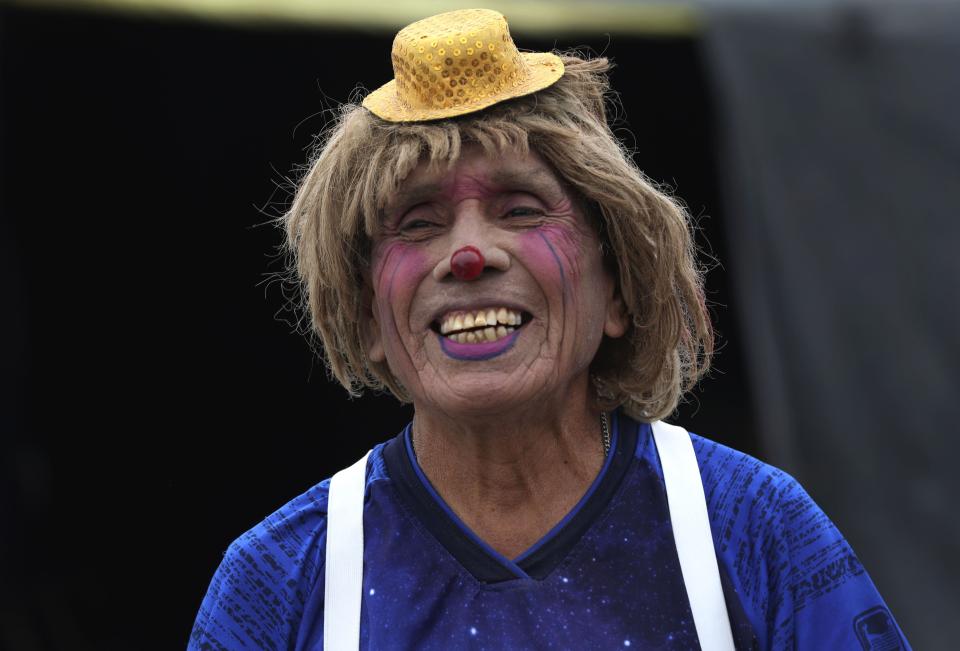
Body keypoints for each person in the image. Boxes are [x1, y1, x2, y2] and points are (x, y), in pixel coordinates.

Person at [189, 8, 909, 650]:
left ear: (619, 286)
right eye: (418, 221)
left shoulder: (755, 530)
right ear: (367, 316)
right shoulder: (281, 580)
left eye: (522, 208)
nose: (469, 255)